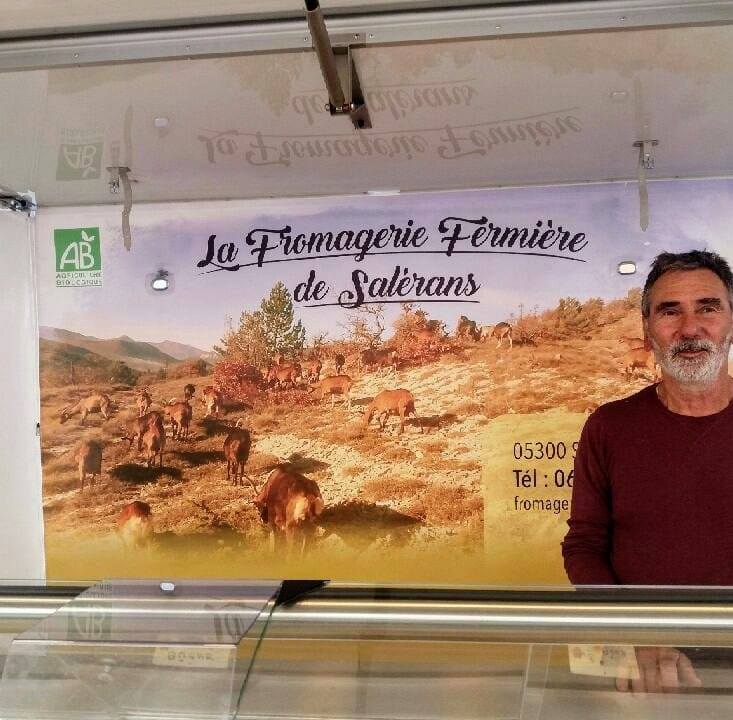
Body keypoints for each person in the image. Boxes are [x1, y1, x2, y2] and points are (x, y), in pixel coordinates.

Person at [561, 249, 733, 692]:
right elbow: (584, 546)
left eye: (708, 308)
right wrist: (633, 635)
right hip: (641, 666)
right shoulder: (609, 426)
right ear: (647, 329)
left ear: (731, 321)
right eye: (669, 311)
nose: (690, 328)